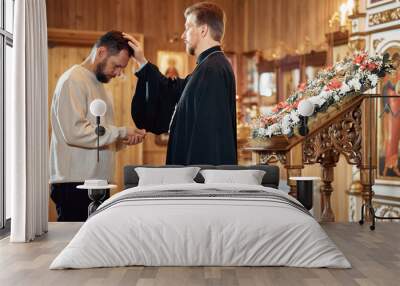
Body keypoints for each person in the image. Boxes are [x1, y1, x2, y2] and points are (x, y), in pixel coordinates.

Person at [49, 31, 146, 222]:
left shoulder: (102, 88)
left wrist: (123, 139)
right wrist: (120, 132)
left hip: (98, 183)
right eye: (117, 66)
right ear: (101, 52)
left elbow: (101, 135)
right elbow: (74, 132)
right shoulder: (73, 80)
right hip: (75, 184)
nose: (118, 73)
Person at [125, 1, 237, 165]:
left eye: (188, 27)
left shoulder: (212, 70)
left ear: (203, 30)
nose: (183, 35)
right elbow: (175, 89)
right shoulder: (208, 66)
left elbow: (209, 136)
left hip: (199, 180)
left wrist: (195, 183)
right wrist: (143, 63)